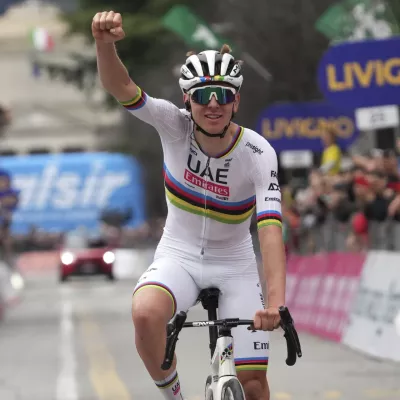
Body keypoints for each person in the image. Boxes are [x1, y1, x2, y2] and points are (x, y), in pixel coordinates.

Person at [92, 11, 286, 400]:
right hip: (178, 254)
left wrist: (276, 303)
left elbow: (269, 230)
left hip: (234, 263)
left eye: (223, 95)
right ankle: (175, 396)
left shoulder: (257, 152)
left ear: (236, 100)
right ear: (187, 99)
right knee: (145, 314)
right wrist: (104, 44)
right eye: (201, 96)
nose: (212, 105)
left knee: (253, 387)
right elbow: (121, 86)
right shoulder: (172, 124)